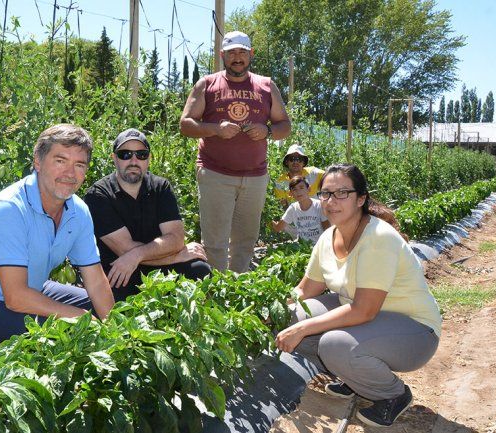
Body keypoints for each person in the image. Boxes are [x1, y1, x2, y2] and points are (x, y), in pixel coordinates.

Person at [275, 164, 441, 428]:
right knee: (289, 316)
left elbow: (364, 310)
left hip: (414, 331)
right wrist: (270, 306)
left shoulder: (378, 238)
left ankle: (393, 394)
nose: (332, 201)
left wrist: (303, 329)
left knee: (333, 343)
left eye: (342, 193)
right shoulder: (328, 238)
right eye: (326, 193)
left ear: (361, 199)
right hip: (368, 319)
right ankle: (355, 378)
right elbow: (305, 290)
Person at [0, 124, 115, 345]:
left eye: (79, 165)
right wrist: (79, 317)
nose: (70, 174)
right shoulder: (10, 209)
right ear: (38, 162)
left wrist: (115, 331)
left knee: (102, 310)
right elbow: (16, 297)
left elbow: (97, 282)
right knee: (56, 335)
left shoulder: (78, 211)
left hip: (30, 289)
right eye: (60, 161)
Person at [180, 30, 291, 272]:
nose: (237, 58)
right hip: (215, 173)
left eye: (242, 52)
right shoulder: (207, 84)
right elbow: (185, 124)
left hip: (255, 176)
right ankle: (217, 287)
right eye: (231, 53)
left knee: (246, 240)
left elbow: (285, 126)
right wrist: (215, 129)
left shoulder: (266, 85)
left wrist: (267, 131)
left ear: (251, 54)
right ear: (222, 55)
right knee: (215, 242)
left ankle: (238, 286)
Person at [84, 128, 212, 302]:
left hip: (149, 264)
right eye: (125, 154)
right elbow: (125, 249)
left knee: (200, 270)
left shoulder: (161, 187)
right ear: (114, 158)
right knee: (116, 295)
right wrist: (176, 256)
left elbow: (176, 239)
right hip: (121, 270)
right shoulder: (98, 195)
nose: (134, 161)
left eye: (141, 155)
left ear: (149, 159)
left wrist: (137, 255)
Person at [270, 175, 329, 244]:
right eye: (294, 189)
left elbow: (327, 230)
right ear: (290, 193)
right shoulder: (293, 208)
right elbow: (278, 228)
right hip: (303, 245)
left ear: (309, 189)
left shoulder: (319, 206)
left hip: (320, 244)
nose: (298, 192)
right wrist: (268, 217)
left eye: (301, 188)